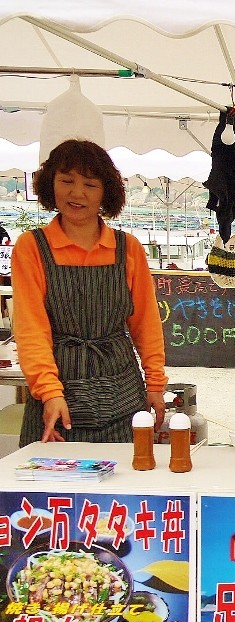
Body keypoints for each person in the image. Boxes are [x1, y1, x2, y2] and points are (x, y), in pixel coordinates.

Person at [11, 139, 167, 445]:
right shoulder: (31, 248)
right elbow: (31, 329)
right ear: (50, 185)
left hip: (123, 395)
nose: (77, 193)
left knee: (127, 485)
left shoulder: (128, 248)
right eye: (66, 181)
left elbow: (146, 325)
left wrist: (156, 383)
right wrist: (48, 391)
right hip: (59, 396)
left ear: (105, 192)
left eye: (90, 184)